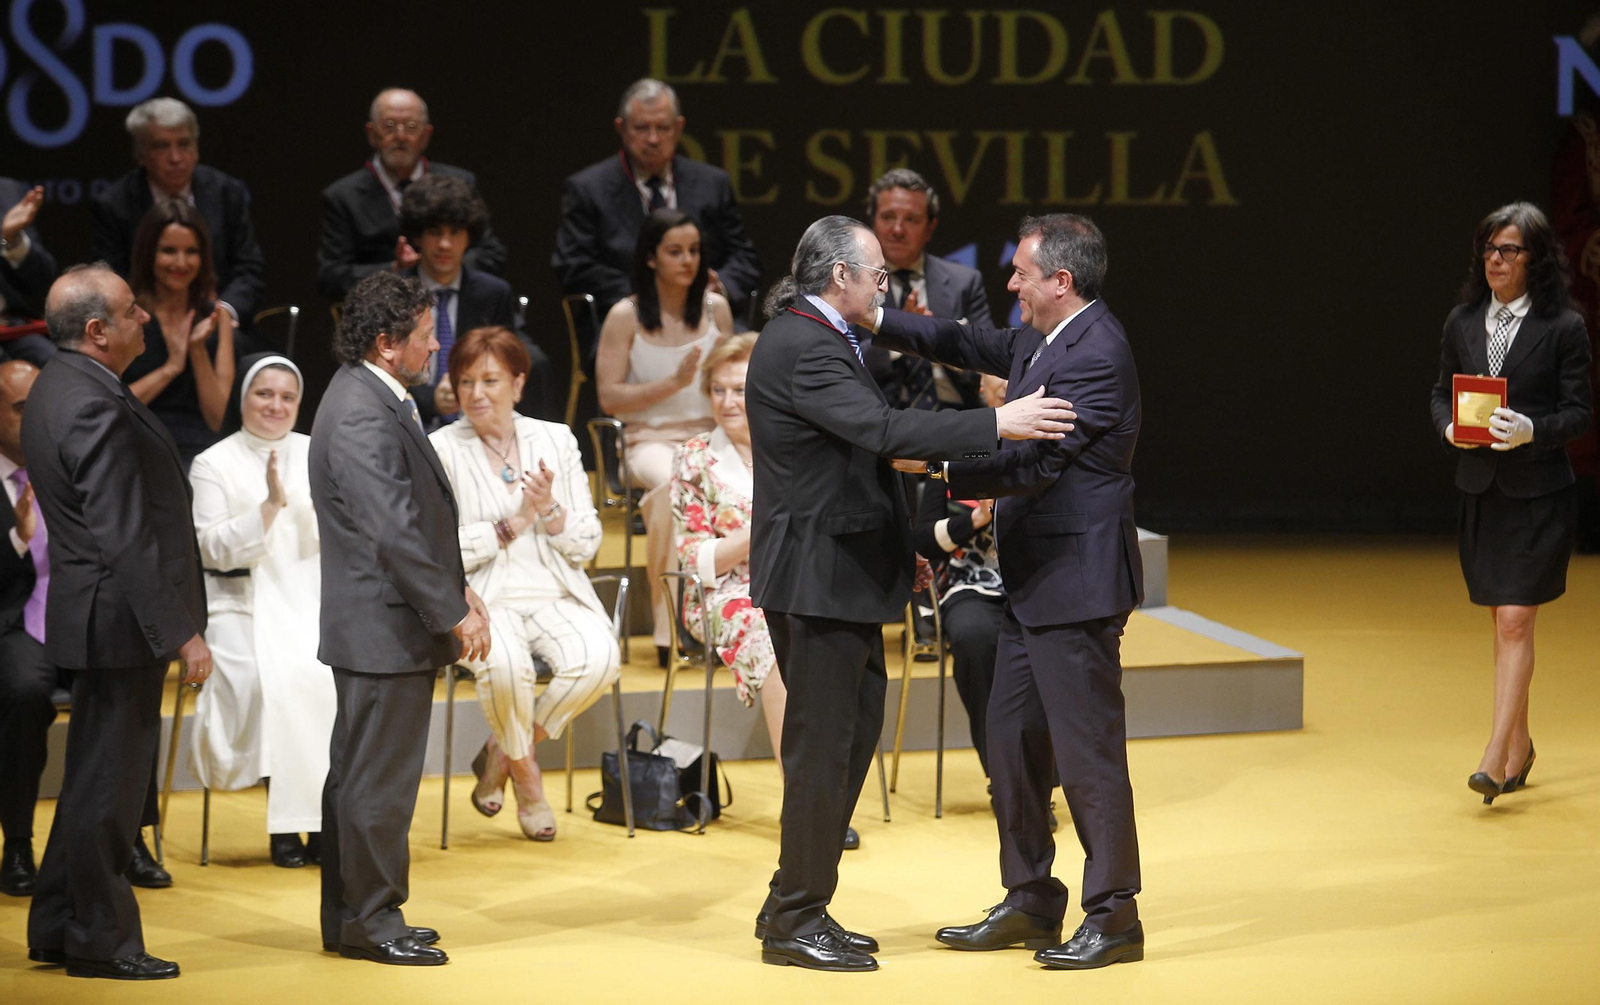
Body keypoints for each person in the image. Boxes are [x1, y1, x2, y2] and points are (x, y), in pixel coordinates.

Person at [745, 215, 1075, 973]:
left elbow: (860, 450)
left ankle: (793, 896)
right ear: (841, 278)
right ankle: (795, 917)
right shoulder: (803, 343)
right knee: (824, 748)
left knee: (849, 738)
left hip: (844, 575)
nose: (884, 285)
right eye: (878, 275)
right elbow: (883, 431)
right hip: (818, 577)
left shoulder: (816, 336)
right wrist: (1001, 422)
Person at [871, 213, 1147, 971]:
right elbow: (957, 341)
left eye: (1022, 272)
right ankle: (1030, 896)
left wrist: (937, 465)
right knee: (1011, 742)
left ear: (1061, 280)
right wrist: (872, 315)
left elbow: (1034, 467)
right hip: (1034, 585)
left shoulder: (1098, 353)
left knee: (1088, 754)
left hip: (1078, 587)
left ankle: (1115, 912)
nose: (1010, 283)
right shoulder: (1040, 338)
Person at [24, 264, 212, 980]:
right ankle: (101, 939)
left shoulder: (60, 387)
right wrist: (182, 631)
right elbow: (122, 533)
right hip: (119, 619)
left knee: (92, 780)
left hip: (98, 613)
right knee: (112, 787)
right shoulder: (92, 401)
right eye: (133, 312)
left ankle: (56, 923)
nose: (146, 319)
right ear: (97, 330)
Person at [309, 270, 490, 967]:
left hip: (380, 622)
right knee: (376, 781)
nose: (435, 344)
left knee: (361, 774)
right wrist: (451, 611)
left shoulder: (373, 397)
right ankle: (370, 918)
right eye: (423, 336)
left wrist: (461, 591)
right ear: (387, 343)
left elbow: (412, 519)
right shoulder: (361, 409)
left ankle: (355, 913)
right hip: (383, 627)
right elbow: (394, 531)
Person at [1429, 202, 1593, 804]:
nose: (1496, 261)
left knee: (1517, 620)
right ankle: (1521, 744)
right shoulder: (1462, 321)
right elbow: (1439, 395)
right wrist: (1450, 429)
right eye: (1490, 250)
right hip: (1482, 490)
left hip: (1538, 496)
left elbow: (1579, 413)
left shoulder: (1564, 328)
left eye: (1509, 251)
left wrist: (1531, 430)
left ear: (1536, 259)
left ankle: (1495, 759)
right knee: (1502, 625)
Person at [430, 326, 620, 842]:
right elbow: (437, 549)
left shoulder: (554, 439)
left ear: (518, 383)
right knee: (507, 665)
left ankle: (503, 753)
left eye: (490, 380)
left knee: (600, 658)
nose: (476, 393)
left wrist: (550, 511)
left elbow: (585, 542)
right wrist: (510, 524)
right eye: (465, 381)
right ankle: (529, 779)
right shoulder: (440, 449)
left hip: (554, 586)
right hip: (482, 597)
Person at [188, 354, 334, 868]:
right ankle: (286, 816)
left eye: (287, 397)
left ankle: (321, 820)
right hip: (239, 601)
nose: (276, 405)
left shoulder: (319, 452)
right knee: (262, 679)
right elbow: (210, 550)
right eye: (264, 394)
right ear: (244, 398)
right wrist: (269, 507)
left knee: (322, 675)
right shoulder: (212, 462)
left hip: (309, 597)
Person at [596, 208, 732, 662]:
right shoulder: (625, 315)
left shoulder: (717, 309)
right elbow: (609, 397)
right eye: (675, 251)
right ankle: (670, 625)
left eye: (694, 251)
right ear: (651, 258)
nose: (687, 260)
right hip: (648, 442)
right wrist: (672, 384)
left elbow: (735, 377)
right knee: (672, 486)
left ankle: (726, 619)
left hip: (713, 438)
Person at [668, 333, 794, 796]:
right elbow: (696, 559)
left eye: (739, 390)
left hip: (797, 584)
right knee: (774, 635)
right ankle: (800, 798)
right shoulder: (695, 458)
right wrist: (761, 530)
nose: (727, 401)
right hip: (723, 595)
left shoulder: (794, 446)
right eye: (718, 390)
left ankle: (832, 787)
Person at [553, 77, 761, 345]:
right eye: (642, 128)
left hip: (705, 313)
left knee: (749, 355)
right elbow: (573, 266)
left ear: (678, 127)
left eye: (662, 128)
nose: (653, 139)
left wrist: (716, 287)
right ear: (622, 128)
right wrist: (654, 294)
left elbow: (745, 257)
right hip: (626, 318)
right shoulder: (588, 189)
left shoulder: (713, 184)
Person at [90, 97, 266, 329]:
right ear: (140, 154)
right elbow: (111, 280)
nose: (175, 158)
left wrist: (223, 313)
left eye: (184, 144)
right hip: (145, 327)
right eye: (161, 146)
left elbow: (249, 269)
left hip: (223, 323)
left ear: (196, 150)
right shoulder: (114, 204)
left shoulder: (226, 192)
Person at [317, 88, 509, 301]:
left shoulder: (460, 182)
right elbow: (330, 278)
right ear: (371, 133)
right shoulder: (343, 196)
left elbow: (492, 255)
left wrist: (442, 266)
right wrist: (396, 269)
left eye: (411, 127)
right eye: (389, 126)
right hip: (382, 312)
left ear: (426, 135)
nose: (400, 136)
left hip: (456, 304)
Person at [397, 174, 555, 425]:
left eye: (455, 232)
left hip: (476, 422)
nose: (445, 244)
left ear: (469, 237)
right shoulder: (395, 294)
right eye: (435, 232)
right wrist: (431, 401)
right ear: (417, 236)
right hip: (409, 420)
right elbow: (383, 370)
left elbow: (504, 365)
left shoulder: (493, 293)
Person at [912, 374, 1008, 777]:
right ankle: (1006, 776)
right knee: (974, 639)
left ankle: (1042, 774)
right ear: (982, 389)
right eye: (995, 375)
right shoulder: (952, 451)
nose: (1005, 381)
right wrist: (976, 517)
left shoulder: (1050, 439)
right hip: (971, 584)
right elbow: (926, 540)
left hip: (1040, 581)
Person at [0, 360, 64, 898]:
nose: (35, 418)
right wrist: (18, 539)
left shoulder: (68, 467)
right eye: (22, 409)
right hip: (14, 620)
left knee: (130, 673)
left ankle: (131, 840)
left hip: (76, 615)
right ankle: (18, 843)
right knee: (24, 691)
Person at [862, 168, 993, 412]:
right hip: (880, 421)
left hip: (955, 418)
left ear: (930, 227)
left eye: (911, 219)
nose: (898, 230)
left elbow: (989, 361)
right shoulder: (853, 282)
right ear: (873, 222)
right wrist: (898, 336)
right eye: (888, 217)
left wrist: (938, 340)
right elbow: (843, 360)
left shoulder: (964, 283)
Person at [122, 199, 237, 469]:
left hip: (202, 455)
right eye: (169, 251)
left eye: (191, 251)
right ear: (149, 253)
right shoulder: (127, 316)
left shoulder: (216, 318)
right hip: (138, 444)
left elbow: (218, 418)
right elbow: (111, 406)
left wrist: (197, 351)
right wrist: (171, 367)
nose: (181, 262)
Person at [1, 179, 60, 366]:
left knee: (63, 370)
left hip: (10, 328)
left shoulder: (7, 191)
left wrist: (11, 240)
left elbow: (43, 280)